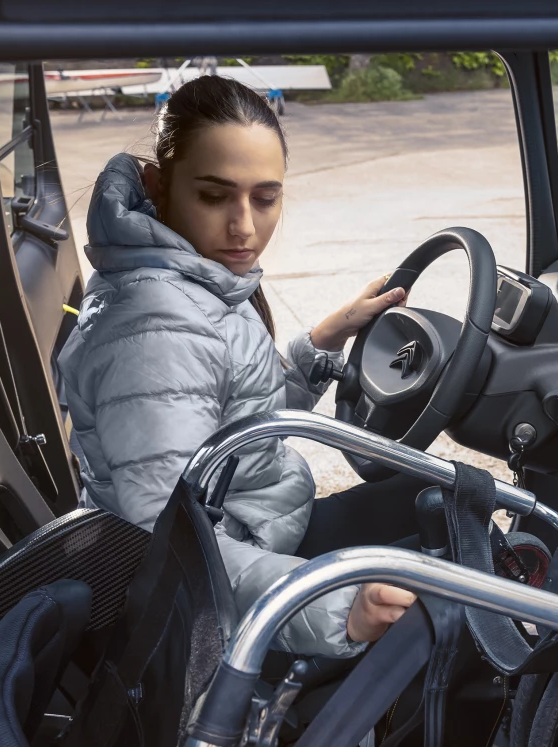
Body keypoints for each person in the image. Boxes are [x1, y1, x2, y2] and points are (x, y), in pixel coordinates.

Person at [57, 76, 428, 660]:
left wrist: (326, 338)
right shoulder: (156, 333)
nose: (245, 228)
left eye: (265, 198)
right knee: (449, 558)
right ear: (158, 185)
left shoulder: (184, 278)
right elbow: (170, 547)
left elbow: (232, 413)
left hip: (253, 532)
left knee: (433, 503)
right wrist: (338, 609)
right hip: (212, 607)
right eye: (214, 196)